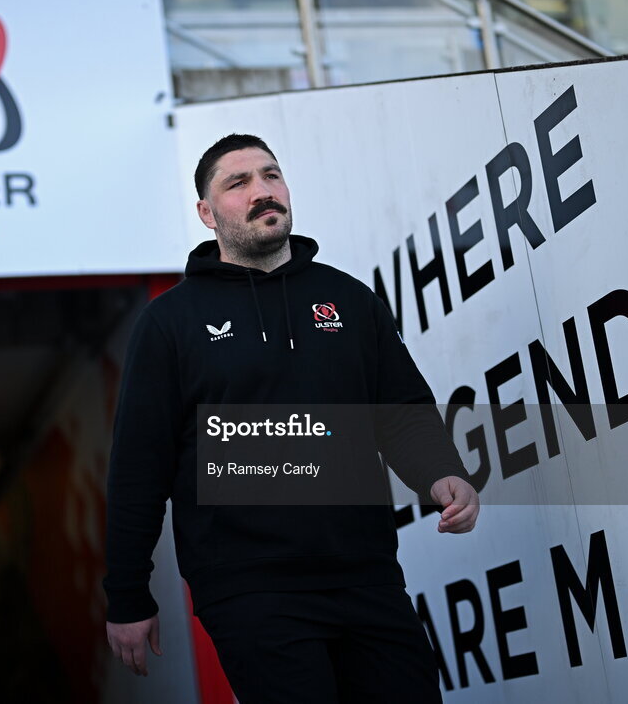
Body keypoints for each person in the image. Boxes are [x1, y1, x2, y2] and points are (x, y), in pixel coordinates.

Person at [104, 134, 479, 702]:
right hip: (249, 588)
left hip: (367, 575)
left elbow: (400, 412)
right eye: (239, 182)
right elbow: (139, 468)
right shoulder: (169, 324)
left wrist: (440, 472)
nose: (262, 191)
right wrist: (128, 595)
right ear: (206, 213)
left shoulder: (349, 300)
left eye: (271, 176)